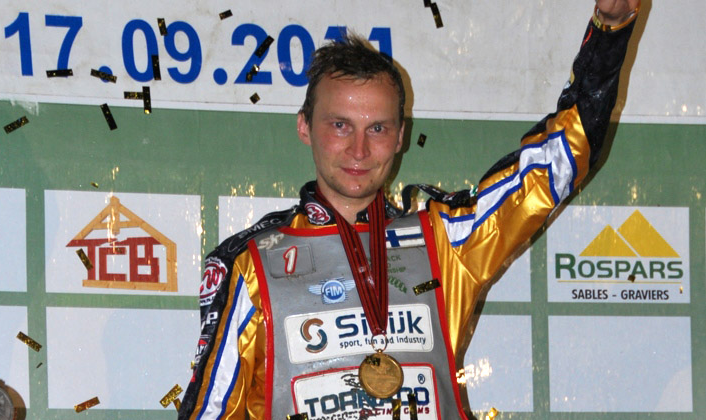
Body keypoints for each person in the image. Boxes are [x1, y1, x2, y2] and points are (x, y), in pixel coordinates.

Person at [179, 1, 641, 418]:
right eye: (340, 125)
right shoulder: (251, 263)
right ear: (305, 127)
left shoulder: (446, 239)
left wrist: (610, 30)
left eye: (377, 128)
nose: (359, 149)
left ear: (401, 136)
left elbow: (555, 164)